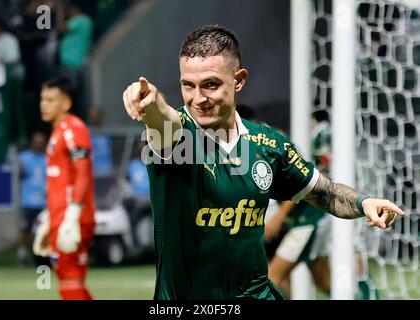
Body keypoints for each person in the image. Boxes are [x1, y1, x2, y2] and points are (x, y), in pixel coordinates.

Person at [121, 25, 405, 300]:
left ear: (239, 80)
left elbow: (323, 192)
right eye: (188, 85)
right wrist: (151, 102)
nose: (198, 98)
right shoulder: (176, 137)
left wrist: (363, 203)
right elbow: (163, 119)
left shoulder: (269, 144)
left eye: (210, 84)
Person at [33, 77, 95, 300]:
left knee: (70, 281)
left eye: (50, 100)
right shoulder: (59, 131)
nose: (43, 104)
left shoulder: (73, 129)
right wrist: (50, 220)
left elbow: (83, 171)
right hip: (62, 218)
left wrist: (72, 216)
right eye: (42, 99)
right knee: (68, 281)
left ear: (66, 104)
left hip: (73, 219)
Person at [264, 110, 332, 297]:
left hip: (307, 222)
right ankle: (362, 292)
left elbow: (301, 185)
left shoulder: (268, 146)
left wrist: (278, 217)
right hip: (297, 223)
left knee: (271, 280)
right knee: (324, 282)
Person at [17, 131, 47, 265]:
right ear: (32, 143)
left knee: (45, 230)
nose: (39, 145)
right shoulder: (24, 157)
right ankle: (22, 253)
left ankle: (44, 255)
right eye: (37, 142)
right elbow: (19, 175)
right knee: (26, 230)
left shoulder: (48, 157)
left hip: (44, 201)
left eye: (41, 142)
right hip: (28, 201)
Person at [88, 107, 113, 177]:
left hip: (107, 171)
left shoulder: (108, 133)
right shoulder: (86, 133)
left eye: (97, 116)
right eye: (93, 116)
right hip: (92, 172)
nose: (95, 119)